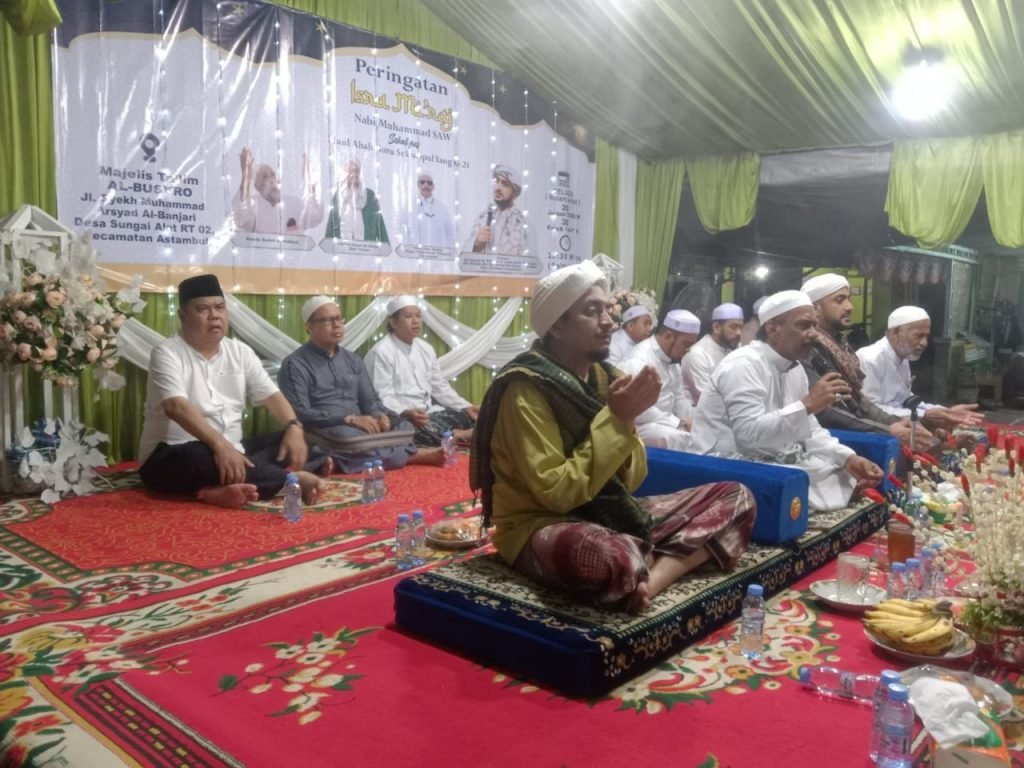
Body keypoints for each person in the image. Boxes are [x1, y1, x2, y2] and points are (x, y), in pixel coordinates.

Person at [470, 260, 756, 614]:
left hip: (609, 512)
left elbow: (632, 480)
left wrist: (627, 419)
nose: (608, 321)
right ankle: (643, 560)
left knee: (737, 497)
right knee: (606, 558)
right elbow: (556, 494)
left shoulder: (608, 378)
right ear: (556, 324)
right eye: (592, 311)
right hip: (540, 523)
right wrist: (619, 420)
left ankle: (652, 578)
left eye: (607, 310)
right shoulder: (525, 389)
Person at [138, 274, 327, 508]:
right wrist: (220, 446)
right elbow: (175, 406)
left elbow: (271, 395)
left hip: (234, 448)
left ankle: (216, 488)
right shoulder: (167, 352)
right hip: (173, 453)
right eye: (203, 309)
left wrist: (293, 427)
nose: (214, 315)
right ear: (182, 315)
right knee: (198, 458)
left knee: (304, 438)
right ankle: (289, 478)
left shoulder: (240, 351)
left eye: (220, 307)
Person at [691, 290, 884, 511]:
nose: (814, 334)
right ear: (773, 329)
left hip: (771, 455)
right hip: (725, 459)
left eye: (815, 326)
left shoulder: (795, 368)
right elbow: (747, 435)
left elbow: (809, 430)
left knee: (840, 472)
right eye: (804, 325)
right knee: (801, 480)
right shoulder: (743, 364)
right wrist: (807, 405)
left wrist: (847, 458)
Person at [278, 296, 443, 472]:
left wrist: (379, 414)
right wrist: (348, 420)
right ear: (309, 326)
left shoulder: (353, 360)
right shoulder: (295, 364)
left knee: (405, 427)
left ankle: (338, 461)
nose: (337, 325)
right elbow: (300, 412)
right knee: (347, 438)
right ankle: (410, 456)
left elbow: (369, 399)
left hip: (363, 427)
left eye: (339, 319)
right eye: (327, 320)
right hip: (327, 428)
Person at [800, 274, 932, 448]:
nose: (849, 307)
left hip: (854, 433)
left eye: (849, 299)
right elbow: (827, 412)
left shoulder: (840, 347)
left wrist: (894, 422)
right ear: (816, 308)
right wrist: (887, 430)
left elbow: (858, 401)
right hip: (829, 440)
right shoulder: (807, 350)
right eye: (839, 300)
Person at [365, 295, 478, 446]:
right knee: (413, 431)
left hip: (429, 413)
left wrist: (465, 406)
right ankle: (459, 435)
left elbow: (439, 386)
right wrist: (407, 411)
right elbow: (381, 397)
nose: (416, 321)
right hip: (401, 416)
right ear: (393, 322)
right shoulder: (381, 352)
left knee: (472, 417)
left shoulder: (426, 348)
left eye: (418, 316)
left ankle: (455, 435)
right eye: (408, 316)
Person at [857, 306, 983, 432]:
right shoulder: (869, 359)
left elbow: (906, 401)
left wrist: (946, 412)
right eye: (918, 336)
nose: (924, 343)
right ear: (895, 332)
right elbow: (871, 411)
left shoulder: (902, 357)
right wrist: (925, 416)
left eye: (926, 336)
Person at [619, 310, 700, 450]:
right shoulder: (638, 361)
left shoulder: (672, 361)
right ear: (668, 336)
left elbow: (679, 397)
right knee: (677, 438)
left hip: (664, 422)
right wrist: (678, 423)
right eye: (686, 344)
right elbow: (639, 411)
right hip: (638, 425)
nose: (688, 350)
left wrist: (690, 420)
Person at [232, 148, 324, 234]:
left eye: (272, 175)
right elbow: (243, 220)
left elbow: (315, 217)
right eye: (265, 177)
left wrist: (311, 183)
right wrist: (246, 179)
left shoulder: (292, 204)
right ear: (257, 186)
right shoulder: (255, 206)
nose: (271, 180)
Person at [681, 302, 743, 404]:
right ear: (716, 327)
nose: (738, 333)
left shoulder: (735, 347)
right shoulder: (698, 354)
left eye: (741, 327)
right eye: (733, 327)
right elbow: (707, 398)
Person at [324, 158, 389, 242]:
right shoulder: (339, 196)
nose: (354, 174)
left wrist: (385, 245)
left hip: (367, 248)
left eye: (356, 171)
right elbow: (331, 227)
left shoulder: (370, 196)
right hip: (342, 247)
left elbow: (380, 228)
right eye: (350, 171)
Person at [470, 164, 526, 256]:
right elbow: (465, 257)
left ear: (514, 193)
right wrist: (476, 244)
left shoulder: (523, 224)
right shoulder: (482, 217)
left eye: (505, 184)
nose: (498, 187)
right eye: (497, 181)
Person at [402, 172, 454, 248]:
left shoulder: (441, 208)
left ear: (433, 187)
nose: (426, 185)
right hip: (414, 252)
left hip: (437, 253)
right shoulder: (410, 207)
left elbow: (449, 235)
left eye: (429, 183)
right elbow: (401, 231)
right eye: (422, 182)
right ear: (418, 185)